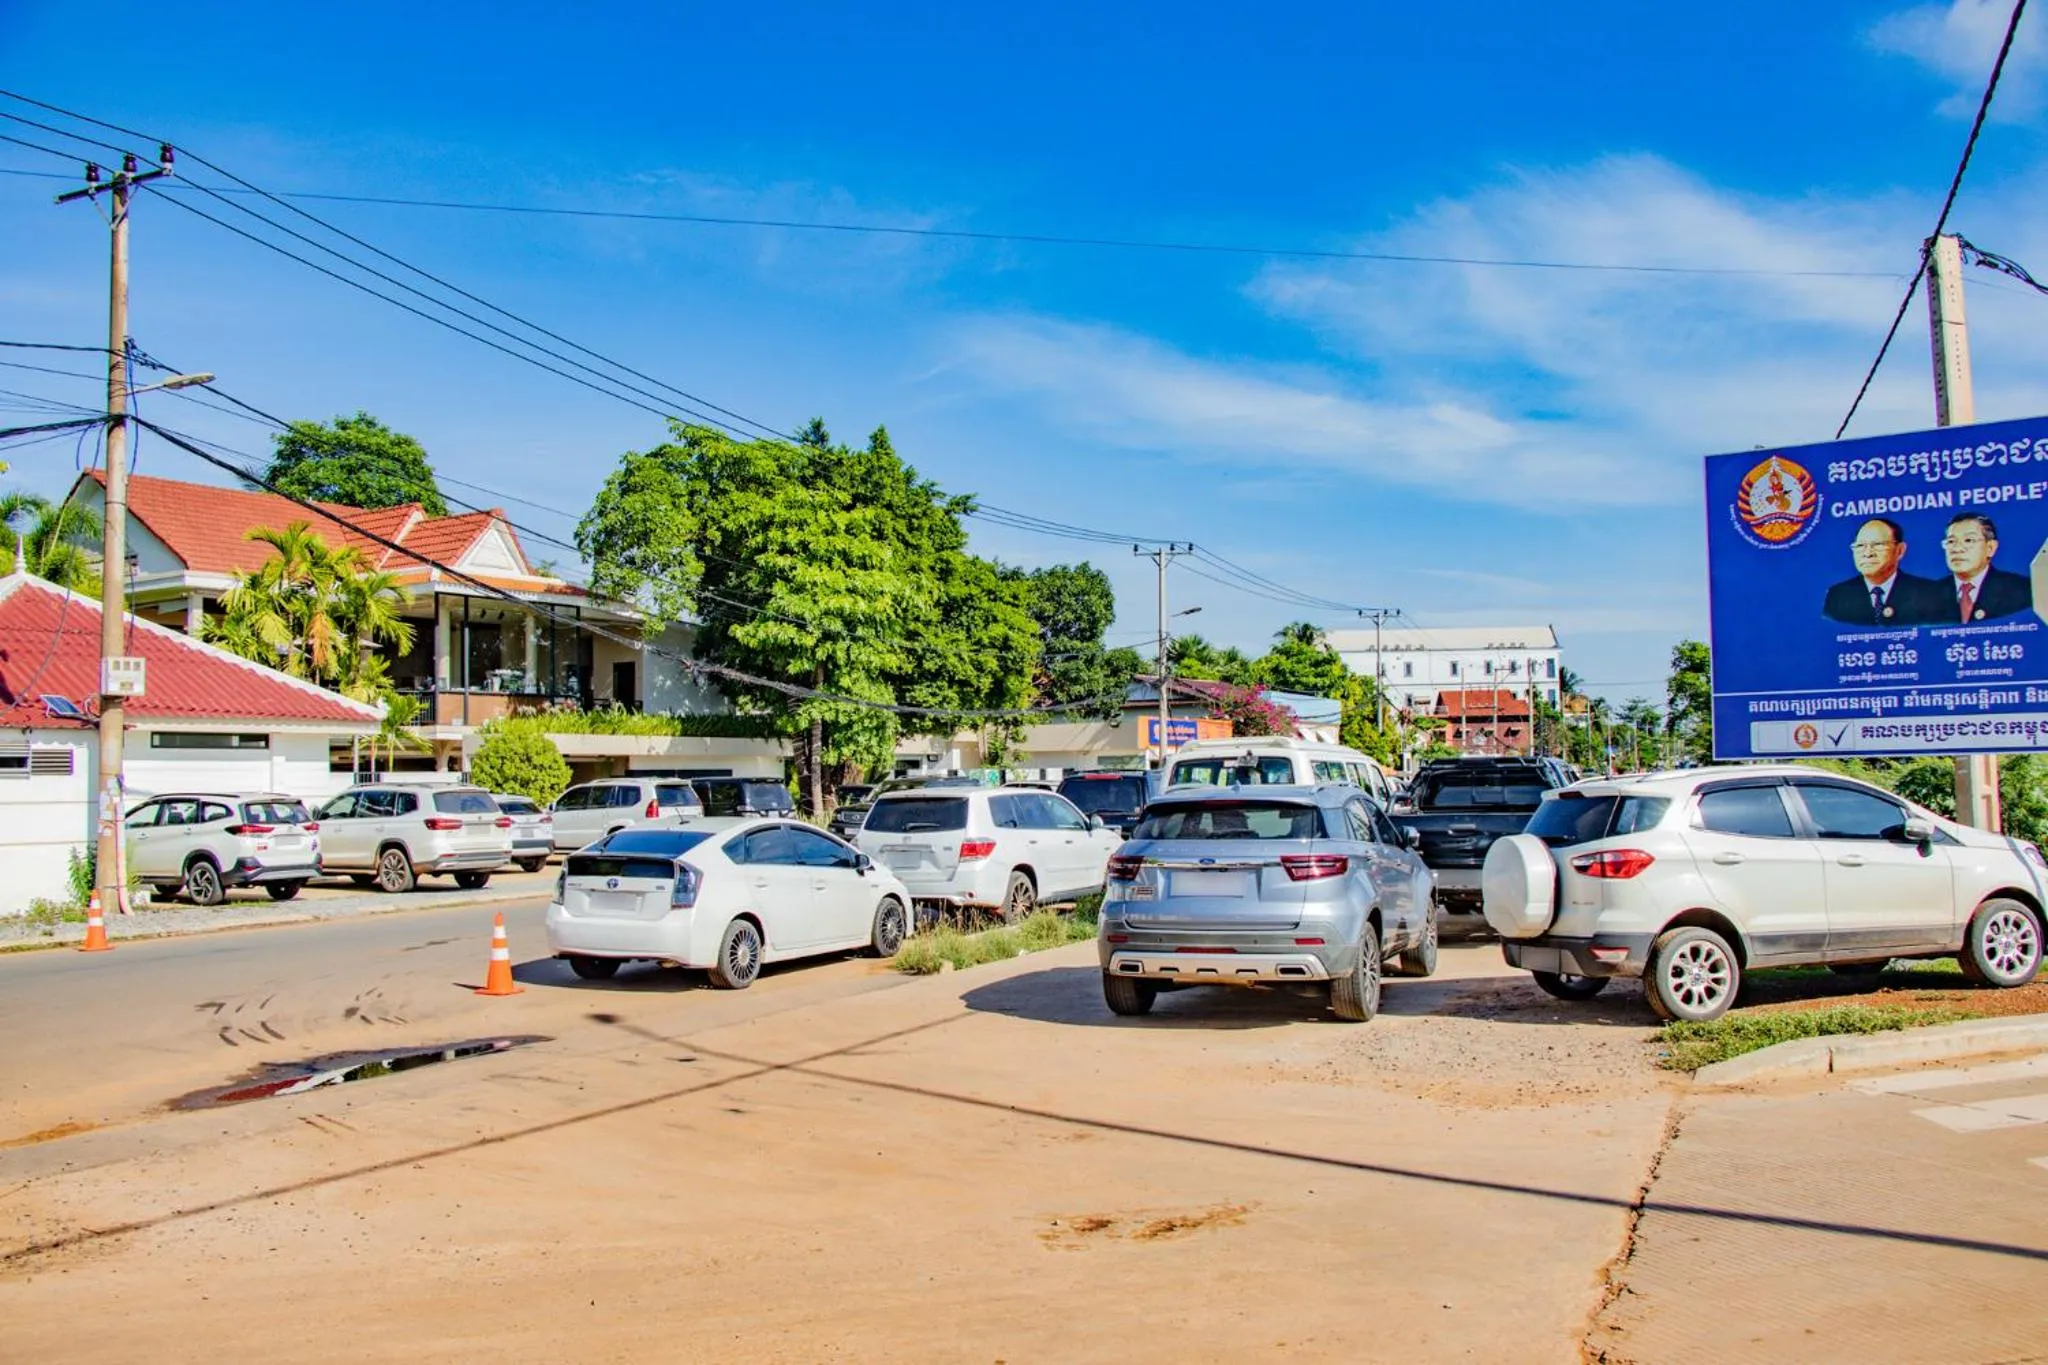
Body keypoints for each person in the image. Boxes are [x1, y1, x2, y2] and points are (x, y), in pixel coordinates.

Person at [1821, 518, 1946, 626]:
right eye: (1860, 546)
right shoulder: (1838, 595)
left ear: (1900, 550)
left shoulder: (1928, 592)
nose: (1868, 553)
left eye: (1878, 545)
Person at [1931, 512, 2031, 623]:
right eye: (1951, 542)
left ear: (1990, 548)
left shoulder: (2022, 590)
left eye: (1968, 540)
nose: (1957, 549)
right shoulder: (1930, 595)